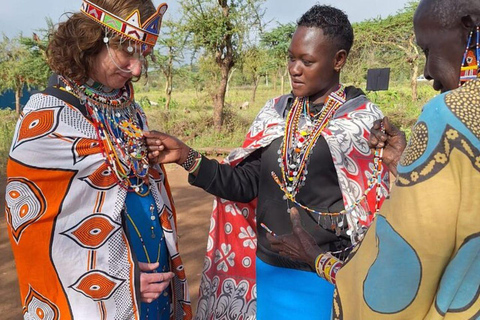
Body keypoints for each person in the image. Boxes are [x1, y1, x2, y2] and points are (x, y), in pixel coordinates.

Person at [145, 5, 390, 319]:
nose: (295, 69)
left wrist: (319, 250)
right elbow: (244, 184)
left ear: (338, 60)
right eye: (291, 58)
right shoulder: (276, 113)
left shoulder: (362, 124)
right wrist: (185, 156)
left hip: (325, 278)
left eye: (307, 61)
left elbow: (368, 213)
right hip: (268, 274)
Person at [269, 0, 480, 319]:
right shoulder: (277, 111)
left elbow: (395, 282)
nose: (426, 73)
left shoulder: (450, 117)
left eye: (427, 49)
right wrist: (403, 164)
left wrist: (316, 258)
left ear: (469, 27)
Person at [4, 0, 192, 319]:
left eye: (142, 56)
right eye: (128, 52)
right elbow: (34, 234)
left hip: (156, 282)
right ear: (94, 40)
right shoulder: (46, 118)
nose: (136, 69)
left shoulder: (130, 110)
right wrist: (122, 282)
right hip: (101, 297)